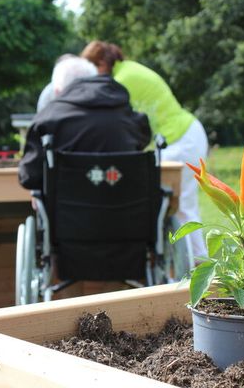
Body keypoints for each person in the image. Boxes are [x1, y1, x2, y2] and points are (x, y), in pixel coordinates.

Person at [81, 41, 209, 259]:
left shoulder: (122, 80)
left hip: (181, 140)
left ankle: (198, 268)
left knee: (179, 206)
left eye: (93, 69)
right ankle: (196, 265)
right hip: (186, 135)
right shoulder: (129, 70)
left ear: (102, 62)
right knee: (183, 206)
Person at [19, 57, 151, 189]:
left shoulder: (46, 121)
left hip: (68, 207)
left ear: (58, 91)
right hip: (127, 206)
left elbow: (29, 178)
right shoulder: (131, 119)